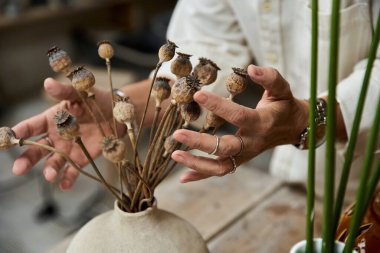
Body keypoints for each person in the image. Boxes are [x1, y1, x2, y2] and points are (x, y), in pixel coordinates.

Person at [11, 0, 379, 197]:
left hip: (369, 182)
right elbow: (202, 51)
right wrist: (124, 105)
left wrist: (306, 119)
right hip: (293, 181)